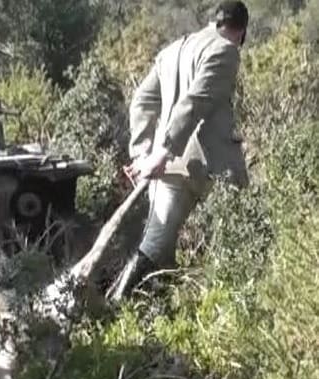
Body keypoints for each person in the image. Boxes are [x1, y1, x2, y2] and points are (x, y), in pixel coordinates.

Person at [107, 1, 250, 302]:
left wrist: (142, 152)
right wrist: (162, 153)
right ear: (241, 31)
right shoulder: (226, 50)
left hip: (169, 171)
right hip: (211, 165)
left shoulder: (173, 50)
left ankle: (117, 305)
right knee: (243, 232)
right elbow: (195, 103)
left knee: (155, 244)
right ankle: (237, 306)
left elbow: (141, 101)